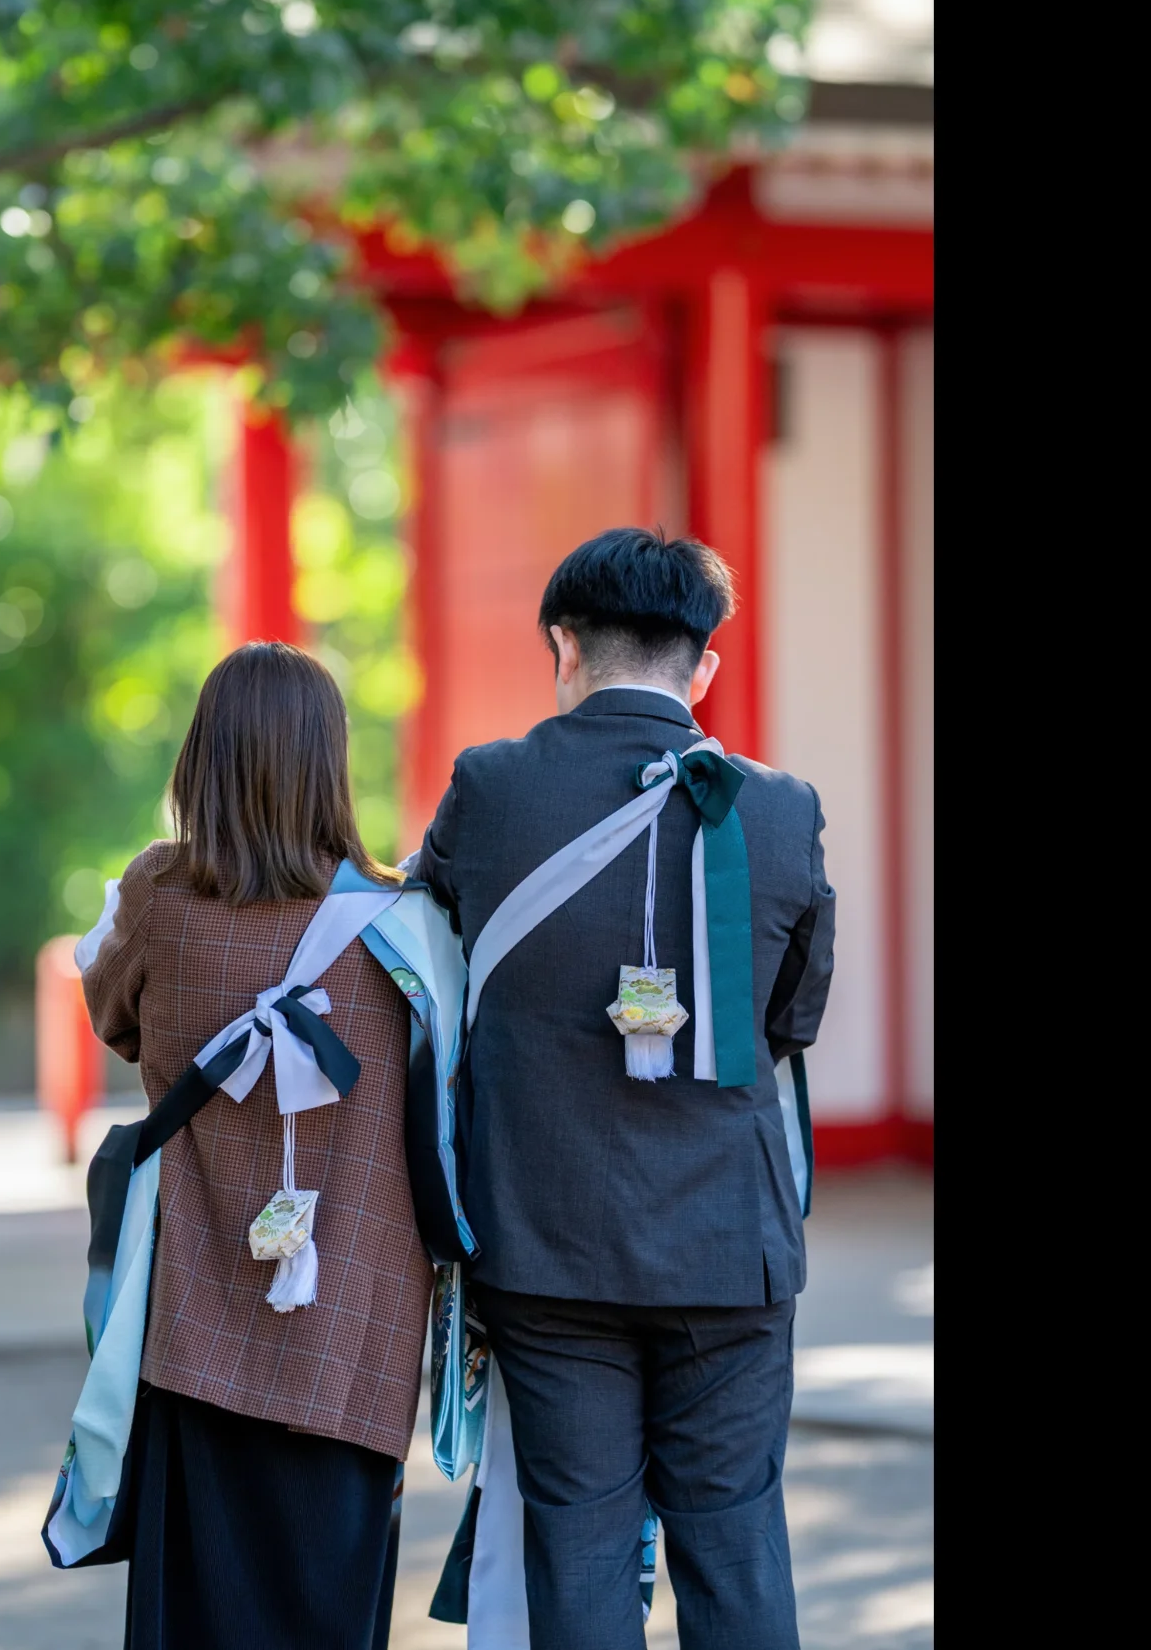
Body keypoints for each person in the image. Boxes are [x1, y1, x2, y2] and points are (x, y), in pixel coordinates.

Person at [415, 528, 835, 1650]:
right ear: (704, 666)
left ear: (564, 645)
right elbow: (790, 1023)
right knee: (735, 1544)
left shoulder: (489, 789)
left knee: (579, 1547)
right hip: (728, 1246)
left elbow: (429, 959)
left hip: (548, 1243)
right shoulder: (783, 809)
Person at [79, 641, 432, 1650]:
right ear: (330, 761)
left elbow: (113, 1014)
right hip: (355, 1331)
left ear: (203, 758)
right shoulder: (400, 921)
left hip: (197, 1324)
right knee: (331, 1611)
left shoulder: (159, 896)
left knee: (199, 1612)